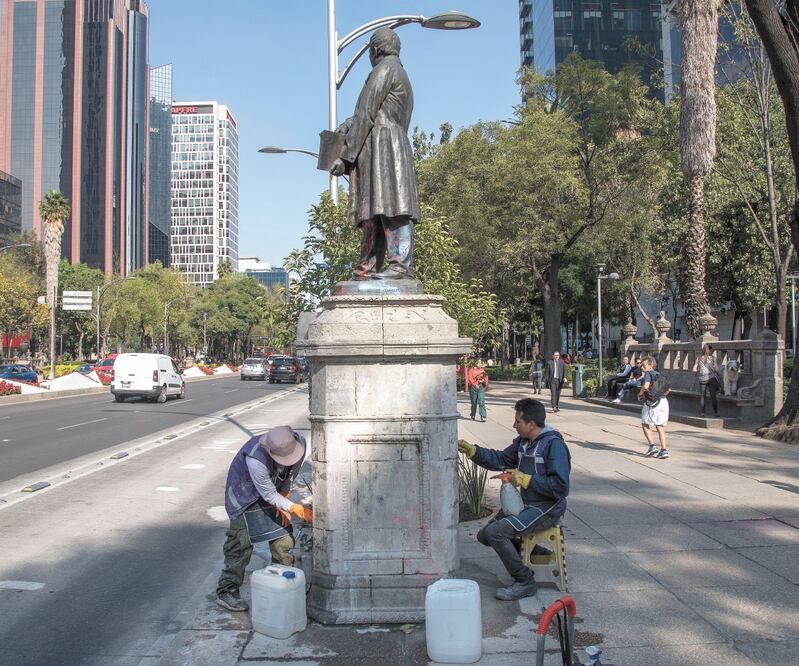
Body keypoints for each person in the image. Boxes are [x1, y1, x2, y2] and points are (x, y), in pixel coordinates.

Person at [329, 28, 420, 280]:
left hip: (384, 149)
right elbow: (370, 114)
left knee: (392, 209)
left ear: (376, 50)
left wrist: (344, 157)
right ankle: (366, 268)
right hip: (385, 146)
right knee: (375, 212)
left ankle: (400, 265)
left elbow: (367, 114)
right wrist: (347, 127)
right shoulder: (399, 73)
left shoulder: (384, 70)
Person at [458, 398, 571, 601]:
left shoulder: (554, 446)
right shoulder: (523, 443)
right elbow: (501, 459)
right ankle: (534, 551)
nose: (514, 425)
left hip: (546, 508)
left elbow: (560, 488)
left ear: (532, 424)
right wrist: (473, 451)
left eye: (518, 421)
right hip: (525, 504)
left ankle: (525, 581)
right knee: (484, 535)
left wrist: (526, 479)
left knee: (495, 532)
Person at [216, 426, 313, 612]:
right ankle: (227, 589)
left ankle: (283, 582)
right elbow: (268, 494)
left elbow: (290, 473)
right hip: (244, 493)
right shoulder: (256, 460)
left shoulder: (299, 444)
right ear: (270, 451)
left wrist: (284, 495)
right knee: (240, 541)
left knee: (283, 537)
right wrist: (292, 507)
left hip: (273, 489)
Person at [638, 356, 669, 459]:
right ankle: (664, 450)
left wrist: (640, 394)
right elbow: (668, 390)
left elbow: (646, 386)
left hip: (652, 403)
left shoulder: (648, 374)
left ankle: (652, 446)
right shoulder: (659, 375)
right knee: (659, 426)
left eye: (644, 365)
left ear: (650, 366)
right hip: (663, 402)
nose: (642, 367)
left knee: (645, 423)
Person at [693, 344, 720, 417]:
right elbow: (717, 369)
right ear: (710, 350)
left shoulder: (699, 358)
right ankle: (716, 412)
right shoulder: (713, 358)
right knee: (713, 396)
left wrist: (698, 370)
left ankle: (702, 413)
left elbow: (694, 369)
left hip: (702, 379)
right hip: (711, 378)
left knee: (702, 396)